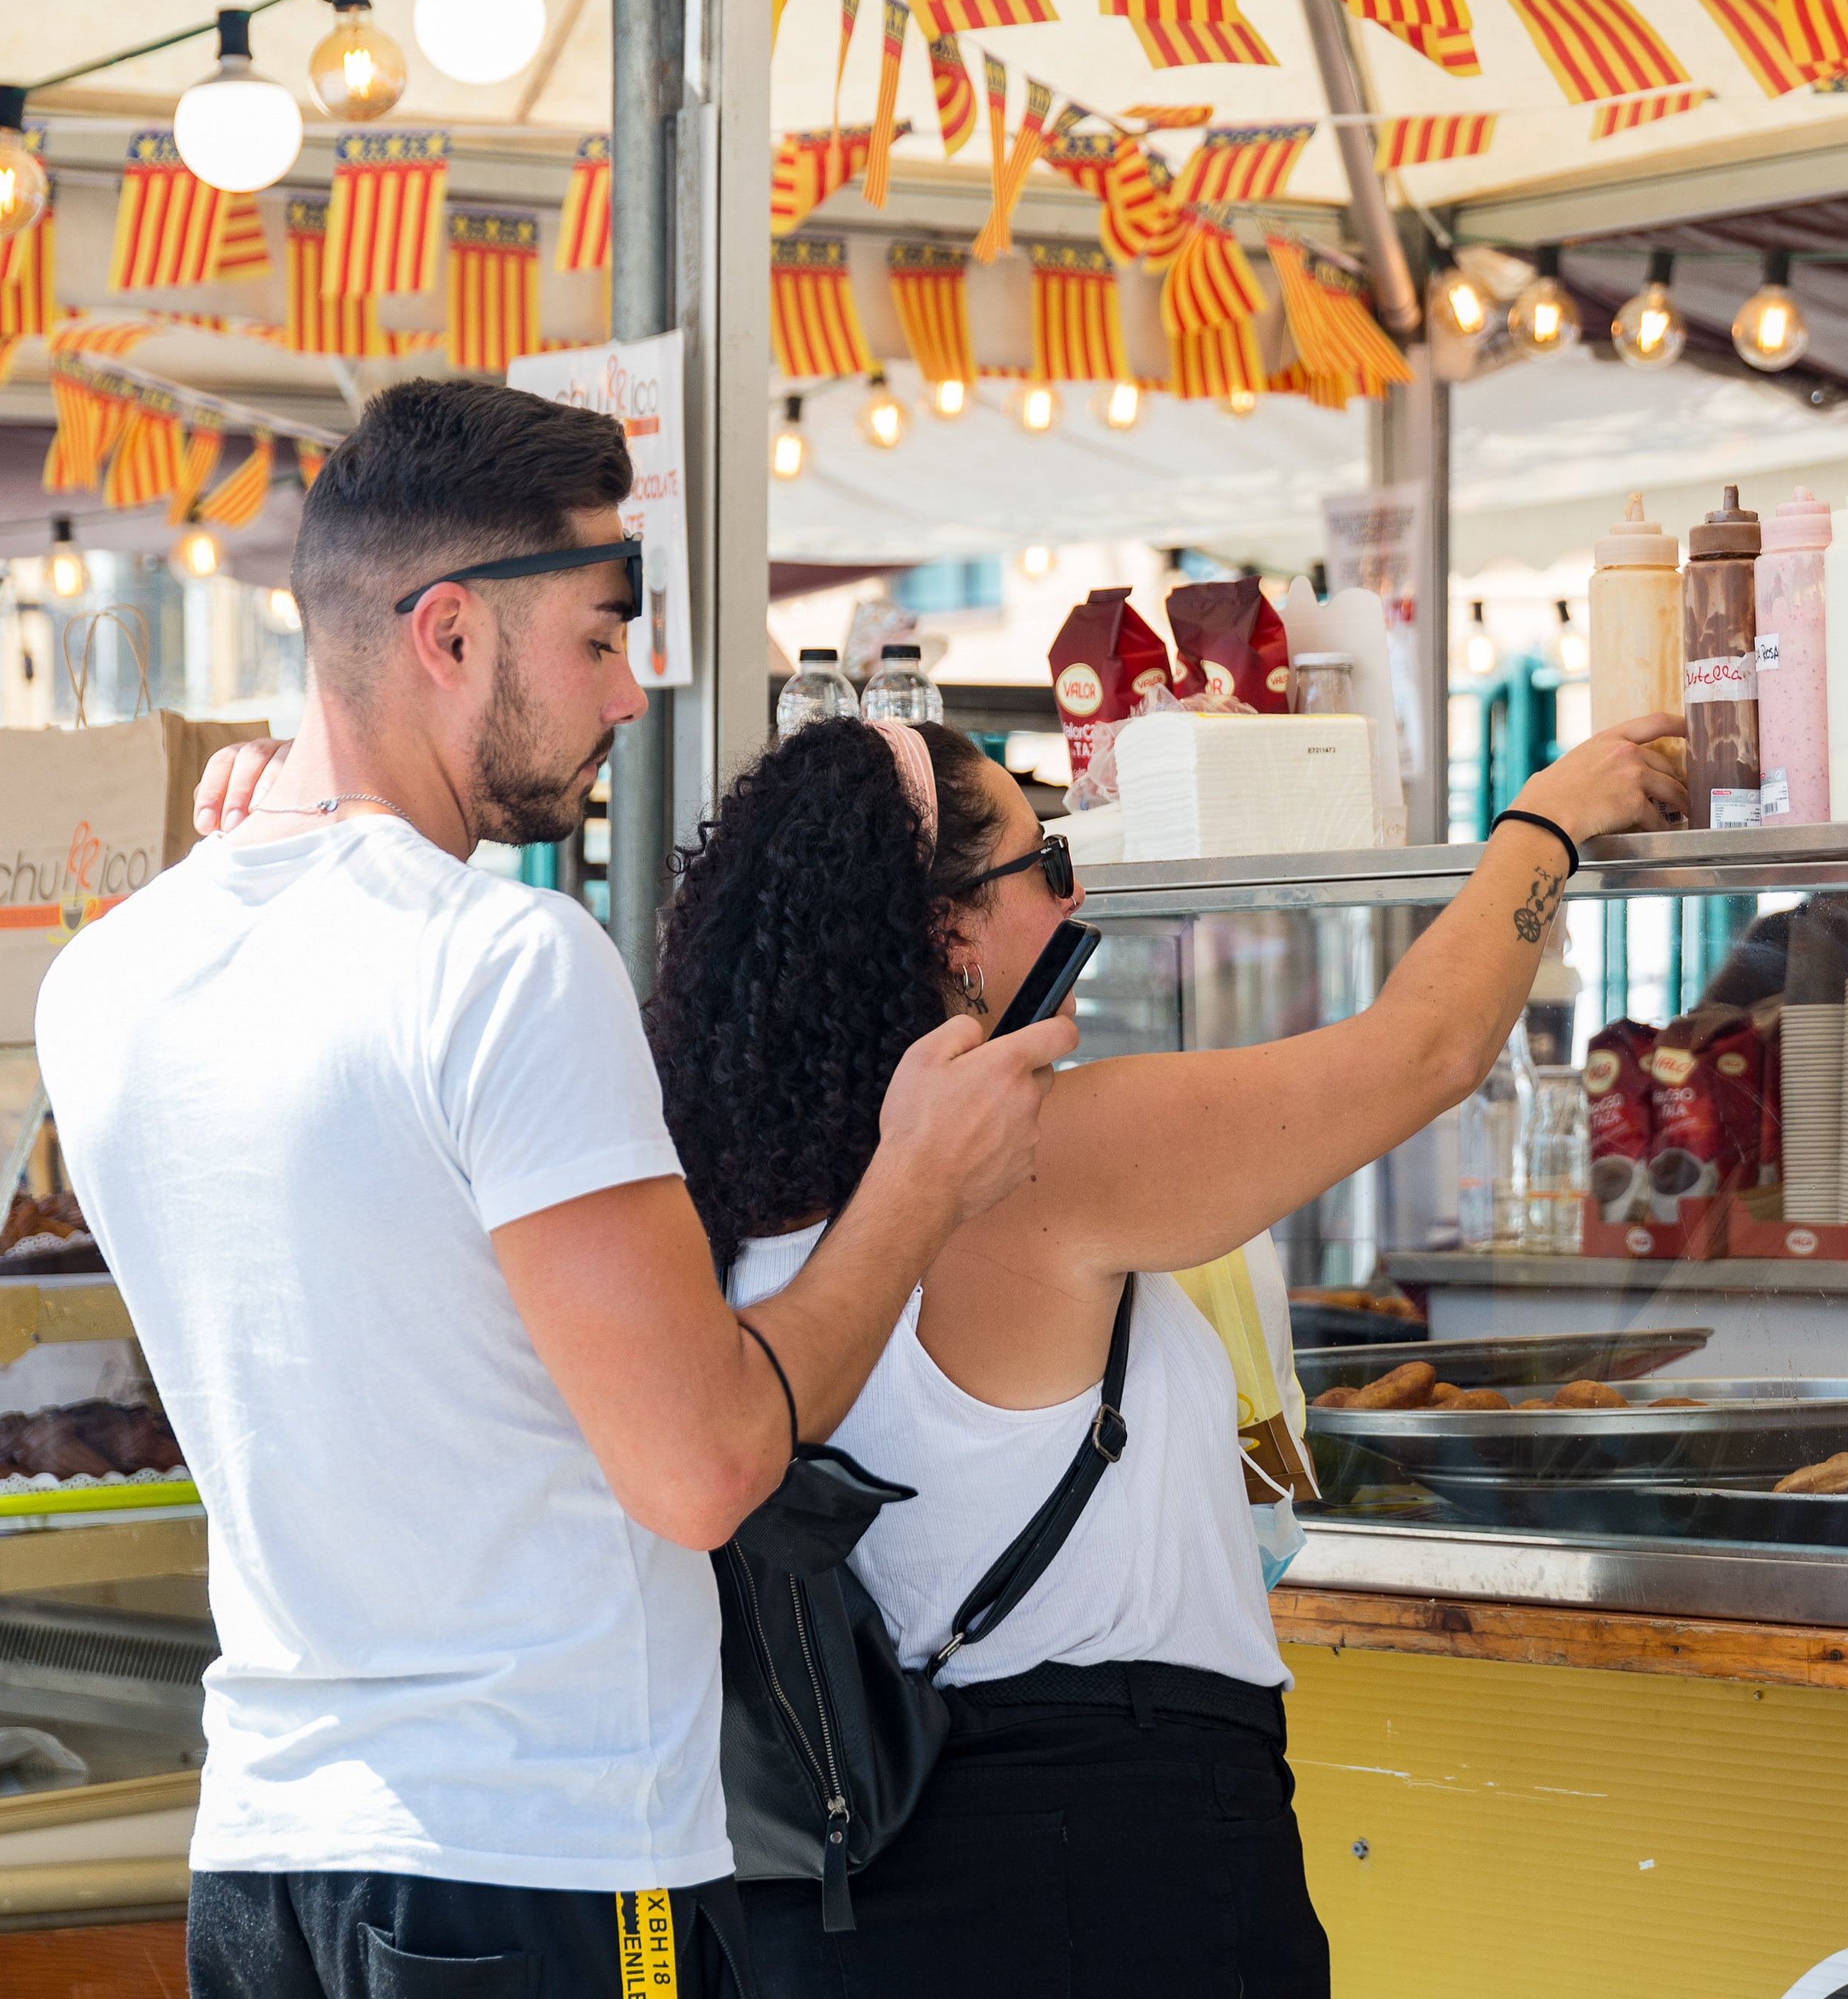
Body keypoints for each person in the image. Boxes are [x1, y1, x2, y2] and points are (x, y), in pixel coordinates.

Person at [41, 381, 1077, 1998]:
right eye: (601, 636)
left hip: (261, 1861)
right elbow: (706, 1466)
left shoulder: (106, 980)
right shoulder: (504, 962)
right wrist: (919, 1188)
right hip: (536, 1861)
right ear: (449, 634)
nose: (631, 692)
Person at [640, 706, 1683, 1996]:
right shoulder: (1045, 1154)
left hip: (831, 1887)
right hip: (1108, 1847)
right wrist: (1547, 823)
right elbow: (1421, 1052)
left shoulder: (714, 1198)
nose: (1076, 904)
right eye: (1050, 866)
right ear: (947, 930)